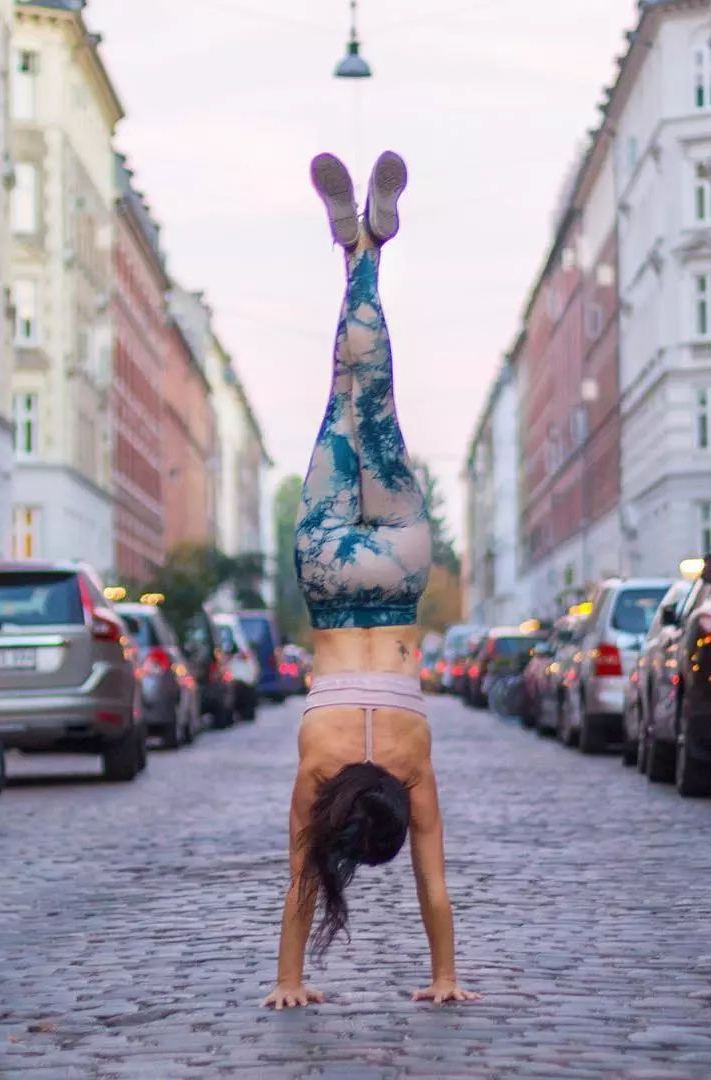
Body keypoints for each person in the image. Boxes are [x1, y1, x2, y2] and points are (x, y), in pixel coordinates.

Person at [262, 151, 479, 1010]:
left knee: (375, 396)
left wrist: (448, 978)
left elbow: (435, 891)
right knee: (342, 395)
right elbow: (300, 889)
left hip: (396, 575)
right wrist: (287, 982)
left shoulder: (412, 767)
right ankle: (358, 250)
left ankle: (370, 248)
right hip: (329, 576)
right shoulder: (318, 776)